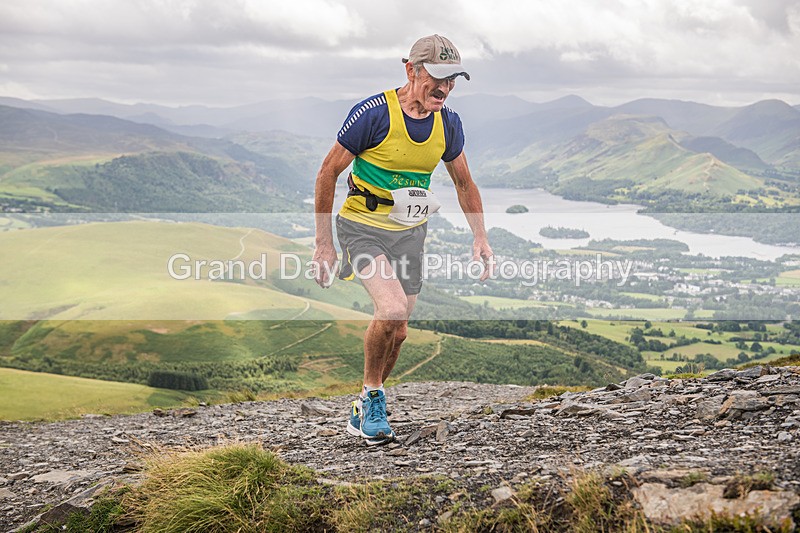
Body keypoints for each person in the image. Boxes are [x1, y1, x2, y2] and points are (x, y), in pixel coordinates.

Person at [312, 34, 493, 445]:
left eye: (453, 80)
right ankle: (375, 395)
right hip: (361, 227)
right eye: (438, 77)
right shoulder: (373, 114)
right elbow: (327, 173)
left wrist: (480, 236)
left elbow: (464, 183)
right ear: (411, 71)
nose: (445, 88)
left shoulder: (448, 124)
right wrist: (324, 242)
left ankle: (363, 401)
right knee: (390, 308)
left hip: (410, 233)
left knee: (400, 331)